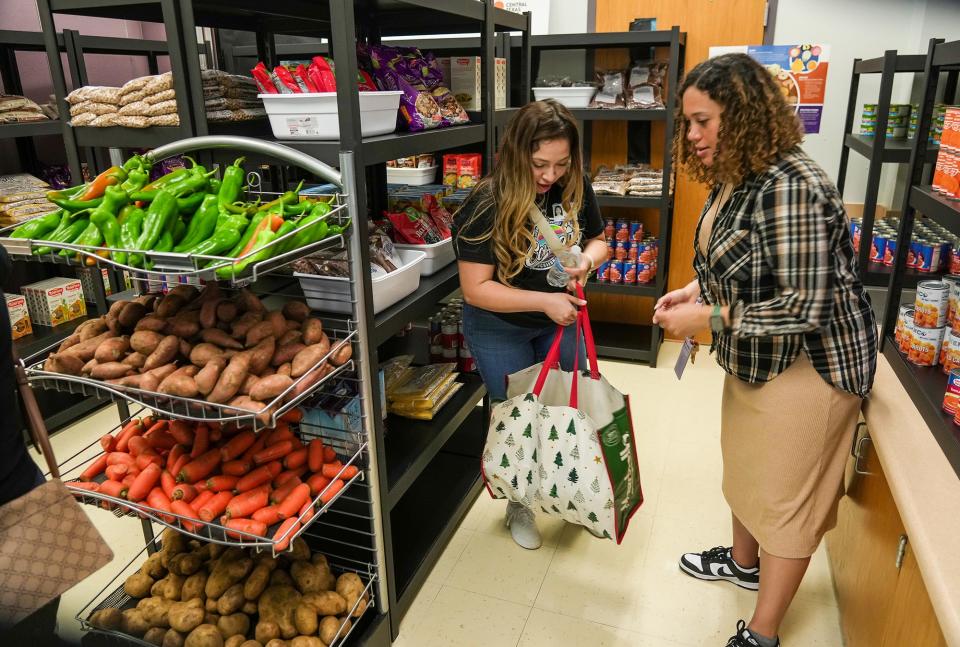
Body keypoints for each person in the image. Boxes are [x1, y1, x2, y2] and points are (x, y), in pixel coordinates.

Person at [653, 53, 877, 647]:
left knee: (786, 498)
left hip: (812, 367)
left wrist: (709, 317)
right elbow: (736, 254)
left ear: (744, 115)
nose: (692, 135)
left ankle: (764, 631)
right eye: (688, 123)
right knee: (749, 466)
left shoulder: (792, 187)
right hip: (757, 352)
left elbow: (806, 308)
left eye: (703, 121)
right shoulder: (738, 172)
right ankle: (743, 563)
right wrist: (695, 288)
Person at [453, 99, 608, 550]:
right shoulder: (487, 201)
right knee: (517, 418)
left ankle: (565, 485)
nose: (550, 175)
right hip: (500, 327)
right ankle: (519, 503)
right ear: (517, 152)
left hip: (561, 321)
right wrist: (544, 301)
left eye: (561, 164)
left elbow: (599, 241)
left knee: (567, 409)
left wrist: (586, 260)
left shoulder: (575, 185)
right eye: (540, 164)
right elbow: (475, 288)